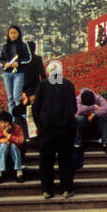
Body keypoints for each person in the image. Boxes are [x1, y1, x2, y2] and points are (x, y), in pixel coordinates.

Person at [32, 61, 77, 199]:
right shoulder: (68, 85)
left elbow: (36, 108)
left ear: (48, 72)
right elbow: (74, 108)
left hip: (47, 130)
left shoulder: (43, 85)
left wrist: (39, 124)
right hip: (65, 129)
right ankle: (67, 188)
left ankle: (47, 190)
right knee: (66, 160)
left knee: (46, 161)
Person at [0, 25, 32, 112]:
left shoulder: (23, 45)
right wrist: (4, 64)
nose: (13, 35)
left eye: (15, 33)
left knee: (17, 97)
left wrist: (19, 62)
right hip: (7, 74)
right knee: (10, 98)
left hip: (19, 74)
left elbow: (28, 58)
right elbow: (0, 59)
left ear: (18, 34)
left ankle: (19, 118)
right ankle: (12, 118)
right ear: (8, 34)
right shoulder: (5, 46)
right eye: (11, 33)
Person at [19, 40, 46, 142]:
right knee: (36, 113)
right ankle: (37, 134)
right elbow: (42, 75)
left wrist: (23, 93)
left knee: (24, 113)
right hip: (36, 90)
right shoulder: (37, 59)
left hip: (24, 90)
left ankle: (26, 135)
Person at [0, 110, 25, 183]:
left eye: (5, 122)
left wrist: (8, 136)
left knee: (13, 145)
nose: (3, 125)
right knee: (3, 144)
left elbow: (21, 142)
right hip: (0, 159)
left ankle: (19, 173)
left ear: (10, 122)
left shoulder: (17, 128)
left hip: (15, 157)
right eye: (0, 122)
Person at [75, 88, 107, 154]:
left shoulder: (97, 98)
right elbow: (79, 110)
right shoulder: (78, 99)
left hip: (96, 123)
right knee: (79, 119)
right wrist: (94, 107)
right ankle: (78, 143)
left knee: (103, 117)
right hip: (83, 123)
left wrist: (94, 114)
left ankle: (106, 143)